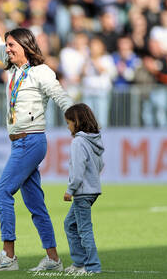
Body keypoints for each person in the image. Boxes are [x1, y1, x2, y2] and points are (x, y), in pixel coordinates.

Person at [0, 0, 73, 271]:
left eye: (12, 45)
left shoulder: (41, 71)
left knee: (1, 193)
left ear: (26, 47)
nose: (6, 50)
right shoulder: (13, 69)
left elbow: (61, 96)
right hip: (21, 141)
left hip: (31, 141)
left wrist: (78, 121)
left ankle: (9, 256)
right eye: (7, 46)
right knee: (35, 203)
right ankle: (53, 259)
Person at [63, 103, 104, 274]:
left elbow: (78, 171)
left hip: (82, 191)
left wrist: (70, 189)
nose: (68, 126)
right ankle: (79, 263)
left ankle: (91, 266)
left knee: (83, 228)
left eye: (69, 122)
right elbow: (101, 165)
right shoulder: (94, 139)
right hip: (93, 189)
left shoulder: (78, 142)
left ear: (77, 122)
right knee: (70, 224)